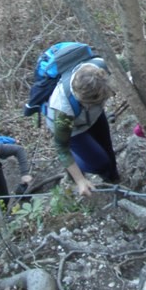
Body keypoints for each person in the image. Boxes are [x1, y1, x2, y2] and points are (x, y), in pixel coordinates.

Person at [46, 62, 119, 198]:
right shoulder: (63, 109)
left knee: (108, 151)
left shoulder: (100, 66)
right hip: (73, 129)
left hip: (94, 116)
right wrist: (80, 180)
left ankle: (113, 181)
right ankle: (75, 167)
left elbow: (125, 63)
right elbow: (61, 147)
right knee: (99, 163)